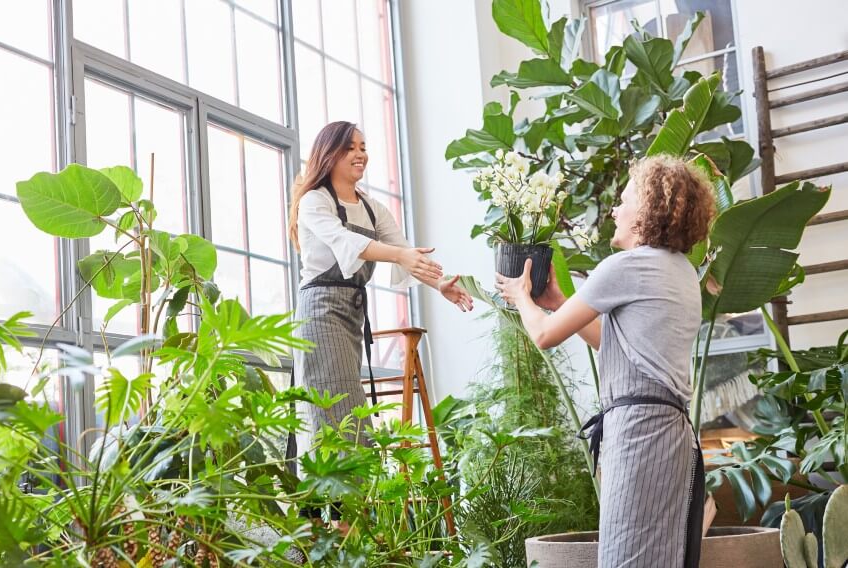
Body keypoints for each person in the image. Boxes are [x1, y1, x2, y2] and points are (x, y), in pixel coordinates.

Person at [495, 155, 715, 567]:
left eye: (625, 200)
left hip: (639, 436)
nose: (615, 209)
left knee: (625, 559)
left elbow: (543, 335)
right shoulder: (681, 271)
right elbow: (615, 343)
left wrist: (522, 297)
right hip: (668, 434)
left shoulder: (627, 266)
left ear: (647, 212)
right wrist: (559, 302)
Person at [289, 120, 473, 462]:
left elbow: (406, 252)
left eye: (363, 147)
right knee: (334, 415)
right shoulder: (315, 201)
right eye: (350, 148)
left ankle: (334, 515)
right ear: (329, 154)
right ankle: (333, 515)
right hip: (320, 313)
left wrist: (439, 285)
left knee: (341, 413)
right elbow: (348, 242)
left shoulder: (374, 208)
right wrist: (400, 255)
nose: (360, 154)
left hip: (350, 315)